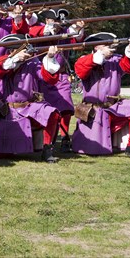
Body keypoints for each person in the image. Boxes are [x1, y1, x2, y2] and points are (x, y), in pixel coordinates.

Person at [0, 34, 63, 163]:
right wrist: (14, 59)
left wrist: (49, 57)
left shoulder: (33, 62)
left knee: (52, 114)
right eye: (12, 50)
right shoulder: (5, 62)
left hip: (30, 106)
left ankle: (47, 148)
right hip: (9, 109)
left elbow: (47, 78)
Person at [72, 33, 130, 158]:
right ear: (96, 47)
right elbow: (82, 71)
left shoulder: (116, 60)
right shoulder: (84, 60)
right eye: (106, 45)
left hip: (114, 108)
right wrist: (100, 56)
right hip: (94, 110)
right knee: (94, 149)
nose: (110, 48)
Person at [29, 8, 85, 153]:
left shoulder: (65, 32)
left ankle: (65, 137)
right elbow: (32, 32)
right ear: (48, 20)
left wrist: (78, 28)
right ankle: (45, 140)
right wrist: (49, 30)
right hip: (41, 76)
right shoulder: (40, 29)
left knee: (66, 108)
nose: (59, 23)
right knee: (43, 109)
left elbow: (78, 40)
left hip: (61, 76)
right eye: (55, 20)